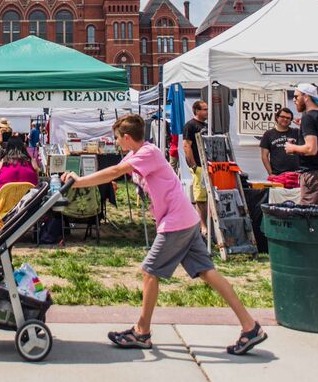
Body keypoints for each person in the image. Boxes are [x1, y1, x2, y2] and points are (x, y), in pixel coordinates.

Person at [62, 114, 266, 355]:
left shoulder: (147, 154)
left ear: (127, 138)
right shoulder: (140, 153)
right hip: (185, 220)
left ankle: (141, 332)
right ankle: (250, 327)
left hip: (176, 223)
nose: (116, 143)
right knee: (208, 273)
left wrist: (78, 181)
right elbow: (115, 171)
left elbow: (114, 171)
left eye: (118, 139)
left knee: (149, 272)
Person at [284, 83, 318, 205]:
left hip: (313, 174)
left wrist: (292, 148)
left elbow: (311, 149)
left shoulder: (308, 117)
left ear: (306, 97)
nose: (294, 100)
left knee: (309, 217)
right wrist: (304, 127)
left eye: (296, 96)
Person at [182, 100, 209, 227]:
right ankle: (202, 226)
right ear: (197, 111)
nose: (207, 111)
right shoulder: (190, 125)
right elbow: (186, 145)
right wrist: (193, 165)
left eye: (207, 109)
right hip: (198, 165)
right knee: (201, 198)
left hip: (209, 164)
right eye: (204, 109)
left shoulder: (208, 125)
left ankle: (208, 225)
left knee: (208, 196)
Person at [259, 107, 300, 176]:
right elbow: (264, 156)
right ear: (277, 117)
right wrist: (270, 173)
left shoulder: (296, 132)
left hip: (296, 173)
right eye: (282, 116)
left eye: (288, 118)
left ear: (291, 121)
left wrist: (300, 125)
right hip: (277, 175)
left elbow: (309, 138)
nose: (285, 119)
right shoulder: (268, 134)